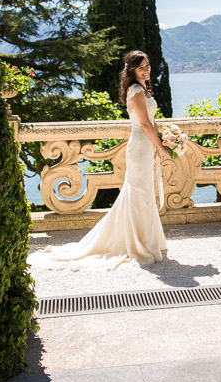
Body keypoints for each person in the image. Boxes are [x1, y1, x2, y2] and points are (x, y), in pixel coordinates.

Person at [28, 50, 169, 270]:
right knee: (139, 192)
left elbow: (151, 121)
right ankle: (138, 242)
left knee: (142, 192)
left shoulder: (142, 89)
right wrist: (160, 146)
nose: (147, 70)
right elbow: (143, 124)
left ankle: (145, 240)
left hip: (145, 145)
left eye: (148, 65)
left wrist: (162, 139)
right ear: (131, 71)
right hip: (140, 145)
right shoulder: (136, 90)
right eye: (141, 67)